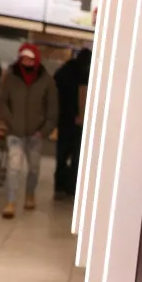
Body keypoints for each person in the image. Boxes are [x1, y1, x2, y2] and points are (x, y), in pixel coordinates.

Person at [0, 43, 57, 219]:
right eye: (24, 58)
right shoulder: (11, 77)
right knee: (14, 167)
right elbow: (2, 101)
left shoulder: (46, 80)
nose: (27, 62)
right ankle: (11, 201)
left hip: (36, 133)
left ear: (36, 60)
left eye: (31, 59)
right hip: (15, 132)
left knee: (34, 168)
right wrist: (9, 121)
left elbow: (53, 108)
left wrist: (45, 130)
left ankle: (30, 193)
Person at [53, 49, 91, 200]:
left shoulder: (63, 72)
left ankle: (59, 186)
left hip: (64, 119)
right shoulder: (86, 75)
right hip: (78, 121)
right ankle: (71, 187)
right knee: (76, 156)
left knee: (62, 155)